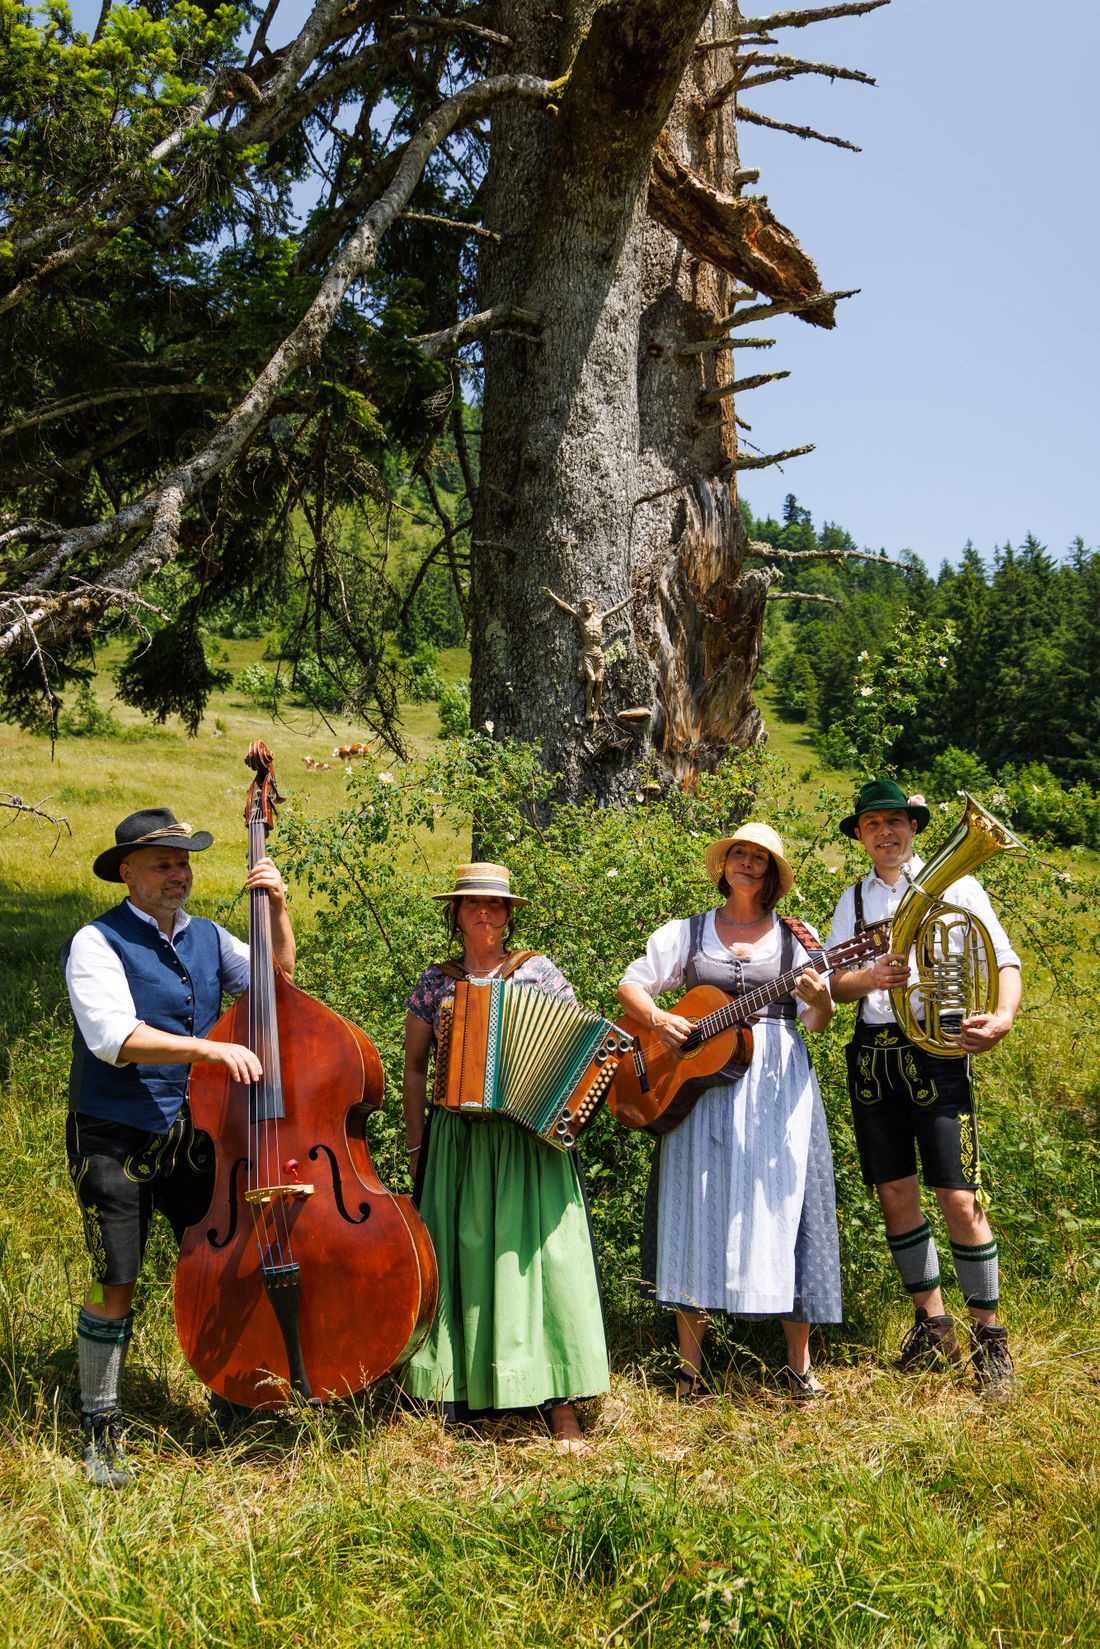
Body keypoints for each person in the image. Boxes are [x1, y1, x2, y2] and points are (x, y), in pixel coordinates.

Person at [64, 806, 295, 1486]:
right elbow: (114, 1038)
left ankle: (231, 1395)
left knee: (219, 1261)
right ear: (127, 873)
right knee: (117, 1277)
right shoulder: (96, 941)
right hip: (113, 1132)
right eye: (163, 864)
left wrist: (277, 908)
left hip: (194, 1134)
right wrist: (209, 1049)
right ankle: (100, 1426)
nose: (178, 874)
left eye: (184, 862)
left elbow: (277, 987)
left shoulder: (208, 937)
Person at [617, 824, 842, 1401]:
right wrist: (659, 1020)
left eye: (757, 858)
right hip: (699, 1086)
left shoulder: (798, 938)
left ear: (771, 873)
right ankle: (689, 1370)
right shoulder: (687, 932)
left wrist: (820, 1000)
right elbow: (632, 987)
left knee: (784, 1202)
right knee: (695, 1203)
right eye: (737, 854)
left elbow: (817, 1022)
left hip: (777, 1084)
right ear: (725, 866)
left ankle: (797, 1366)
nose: (745, 863)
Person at [401, 862, 609, 1452]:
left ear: (508, 915)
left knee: (539, 1260)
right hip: (457, 1141)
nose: (485, 914)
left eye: (495, 905)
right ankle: (456, 1390)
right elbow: (413, 1069)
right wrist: (416, 1145)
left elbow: (581, 1046)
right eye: (473, 904)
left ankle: (558, 1399)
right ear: (456, 914)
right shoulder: (434, 984)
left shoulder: (539, 973)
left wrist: (564, 1113)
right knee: (460, 1254)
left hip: (527, 1144)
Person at [824, 778, 1021, 1395]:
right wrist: (869, 979)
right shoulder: (852, 899)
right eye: (872, 824)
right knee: (894, 1194)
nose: (885, 832)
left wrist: (1003, 1017)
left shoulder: (958, 886)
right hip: (874, 1055)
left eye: (895, 822)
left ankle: (990, 1339)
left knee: (959, 1198)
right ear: (860, 836)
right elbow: (831, 984)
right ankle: (933, 1328)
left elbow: (1004, 960)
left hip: (939, 1051)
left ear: (913, 828)